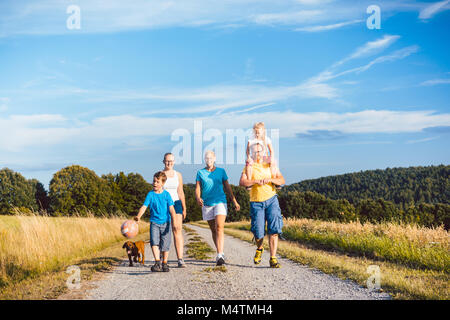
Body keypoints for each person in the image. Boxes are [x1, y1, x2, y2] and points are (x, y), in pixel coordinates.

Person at [239, 142, 285, 268]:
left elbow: (281, 180)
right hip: (256, 202)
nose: (257, 153)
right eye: (255, 152)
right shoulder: (249, 166)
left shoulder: (270, 165)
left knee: (274, 229)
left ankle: (273, 258)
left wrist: (270, 180)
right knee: (258, 232)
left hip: (271, 199)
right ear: (251, 153)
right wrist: (255, 181)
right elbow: (242, 182)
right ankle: (259, 248)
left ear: (263, 152)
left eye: (259, 151)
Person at [195, 150, 240, 266]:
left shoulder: (221, 171)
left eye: (210, 158)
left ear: (214, 159)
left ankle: (219, 255)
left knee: (219, 226)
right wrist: (198, 198)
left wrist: (234, 201)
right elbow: (198, 188)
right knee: (213, 230)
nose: (208, 160)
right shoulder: (200, 173)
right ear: (204, 160)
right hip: (207, 203)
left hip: (220, 201)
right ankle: (220, 252)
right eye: (206, 158)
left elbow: (228, 187)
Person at [135, 171, 176, 272]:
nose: (154, 183)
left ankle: (165, 263)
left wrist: (174, 221)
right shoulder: (150, 194)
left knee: (165, 244)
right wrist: (138, 216)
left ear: (162, 183)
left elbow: (171, 209)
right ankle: (157, 262)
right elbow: (144, 207)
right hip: (154, 223)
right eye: (154, 181)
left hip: (166, 223)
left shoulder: (167, 195)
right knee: (154, 242)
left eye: (157, 182)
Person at [162, 152, 187, 268]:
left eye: (171, 161)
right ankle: (163, 258)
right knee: (164, 231)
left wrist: (184, 207)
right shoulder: (160, 175)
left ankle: (180, 259)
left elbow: (180, 191)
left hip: (176, 203)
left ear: (174, 162)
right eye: (167, 161)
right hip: (164, 203)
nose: (169, 163)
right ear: (163, 161)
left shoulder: (178, 175)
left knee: (177, 229)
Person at [245, 122, 278, 191]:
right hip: (254, 157)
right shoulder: (251, 139)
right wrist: (248, 157)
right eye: (255, 133)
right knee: (248, 164)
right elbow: (247, 150)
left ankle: (274, 180)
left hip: (263, 157)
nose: (257, 134)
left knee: (274, 162)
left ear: (263, 132)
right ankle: (249, 182)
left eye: (258, 133)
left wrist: (271, 158)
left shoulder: (267, 139)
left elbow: (271, 151)